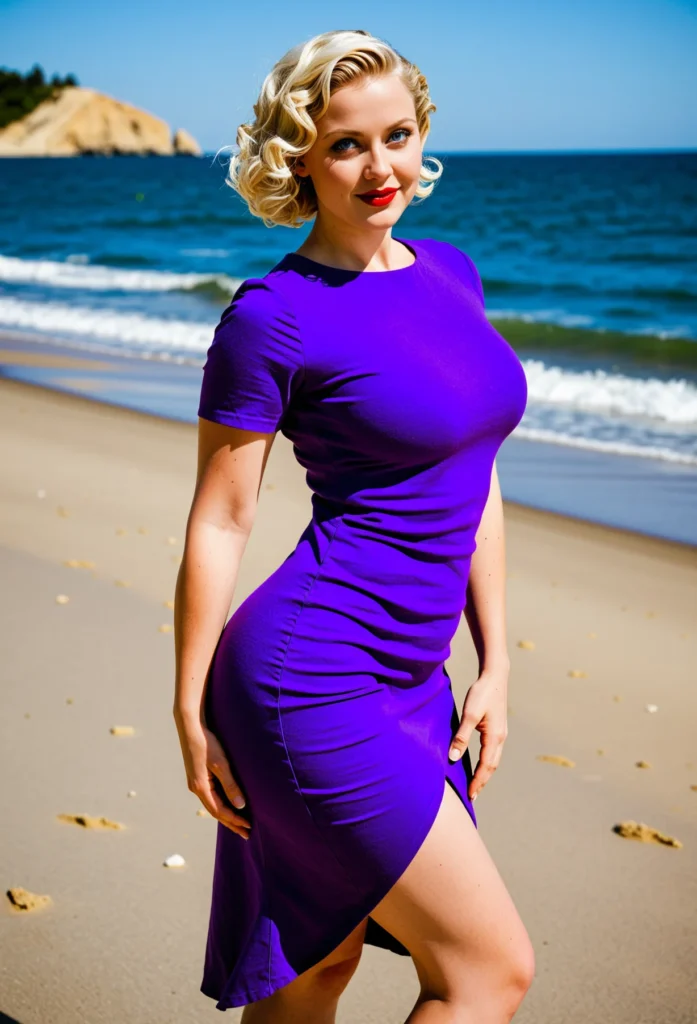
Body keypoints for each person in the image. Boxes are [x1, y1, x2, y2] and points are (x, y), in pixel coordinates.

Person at [173, 28, 534, 1024]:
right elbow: (221, 517)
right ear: (298, 156)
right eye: (345, 144)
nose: (381, 167)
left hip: (415, 675)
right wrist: (188, 705)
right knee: (487, 971)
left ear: (422, 137)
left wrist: (495, 660)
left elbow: (474, 474)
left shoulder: (451, 271)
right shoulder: (273, 315)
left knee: (315, 967)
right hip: (311, 680)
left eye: (398, 135)